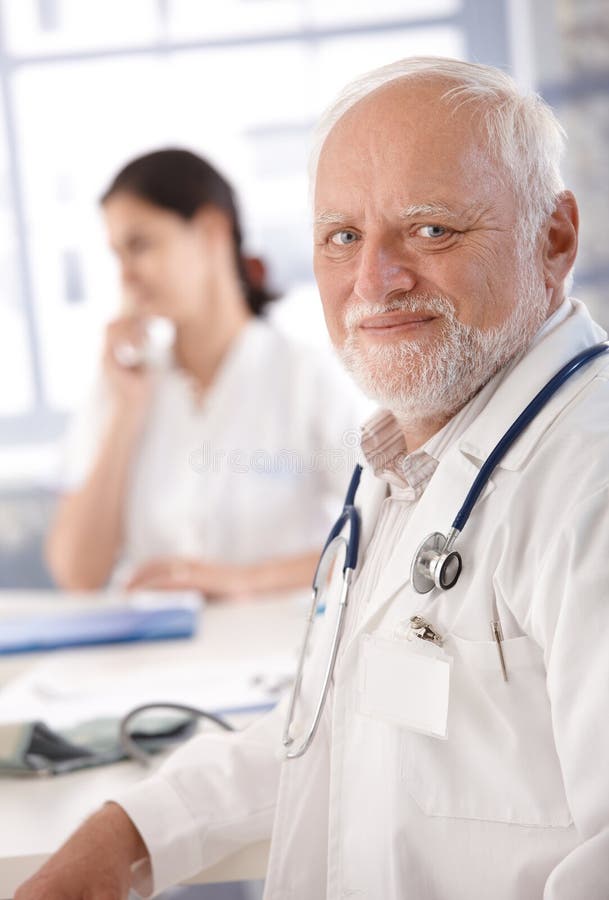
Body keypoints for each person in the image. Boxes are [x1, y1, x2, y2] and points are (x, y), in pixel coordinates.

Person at [18, 56, 609, 900]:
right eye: (342, 238)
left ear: (553, 237)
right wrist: (131, 835)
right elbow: (337, 720)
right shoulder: (414, 453)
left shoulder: (588, 485)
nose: (374, 282)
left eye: (432, 229)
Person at [46, 148, 365, 597]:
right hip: (151, 657)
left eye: (140, 245)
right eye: (117, 254)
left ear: (211, 230)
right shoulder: (122, 384)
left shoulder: (305, 377)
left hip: (276, 652)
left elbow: (376, 537)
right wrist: (126, 414)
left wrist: (241, 581)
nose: (126, 277)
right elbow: (77, 574)